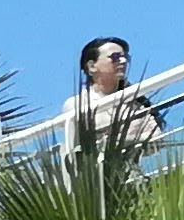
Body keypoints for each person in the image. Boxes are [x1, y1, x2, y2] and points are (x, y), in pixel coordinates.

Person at [69, 38, 165, 167]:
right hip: (96, 174)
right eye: (115, 57)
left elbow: (157, 139)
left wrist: (113, 140)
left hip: (133, 172)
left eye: (125, 57)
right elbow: (84, 146)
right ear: (92, 66)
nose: (123, 61)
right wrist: (135, 139)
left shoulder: (136, 103)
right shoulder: (77, 104)